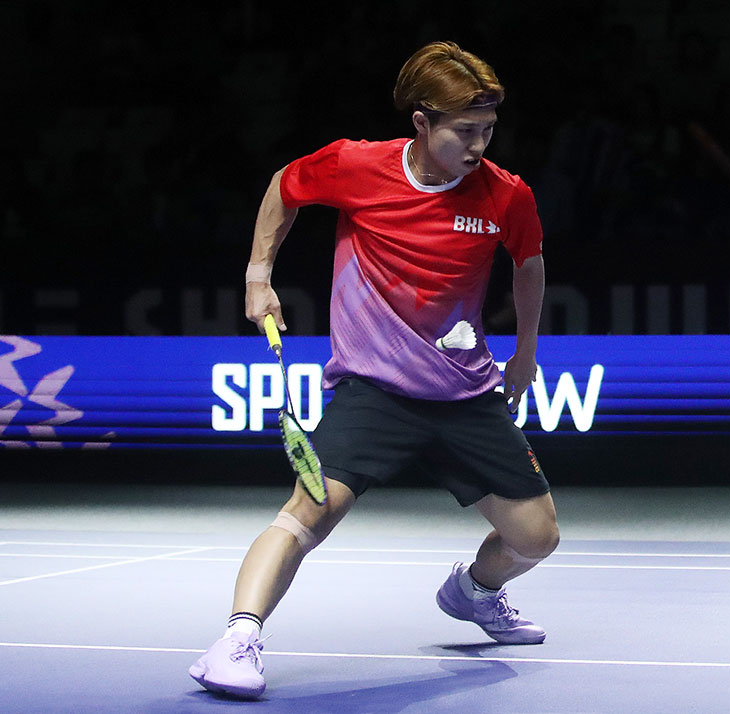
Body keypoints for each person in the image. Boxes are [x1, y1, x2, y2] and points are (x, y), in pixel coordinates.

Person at [189, 41, 559, 699]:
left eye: (488, 129)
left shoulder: (506, 195)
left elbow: (527, 266)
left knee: (536, 538)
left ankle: (475, 592)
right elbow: (284, 186)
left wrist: (525, 352)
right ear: (421, 122)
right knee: (305, 515)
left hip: (465, 394)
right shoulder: (357, 166)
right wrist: (257, 276)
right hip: (375, 392)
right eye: (465, 130)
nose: (479, 145)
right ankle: (236, 641)